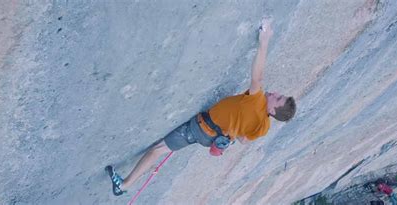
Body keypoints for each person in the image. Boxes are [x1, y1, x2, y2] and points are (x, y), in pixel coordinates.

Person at [106, 18, 297, 196]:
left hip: (200, 128)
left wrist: (264, 41)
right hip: (212, 137)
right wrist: (235, 124)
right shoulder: (264, 126)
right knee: (161, 149)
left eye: (278, 98)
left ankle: (123, 186)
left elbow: (258, 77)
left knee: (158, 149)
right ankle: (124, 185)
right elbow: (245, 140)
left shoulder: (258, 101)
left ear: (272, 110)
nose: (275, 93)